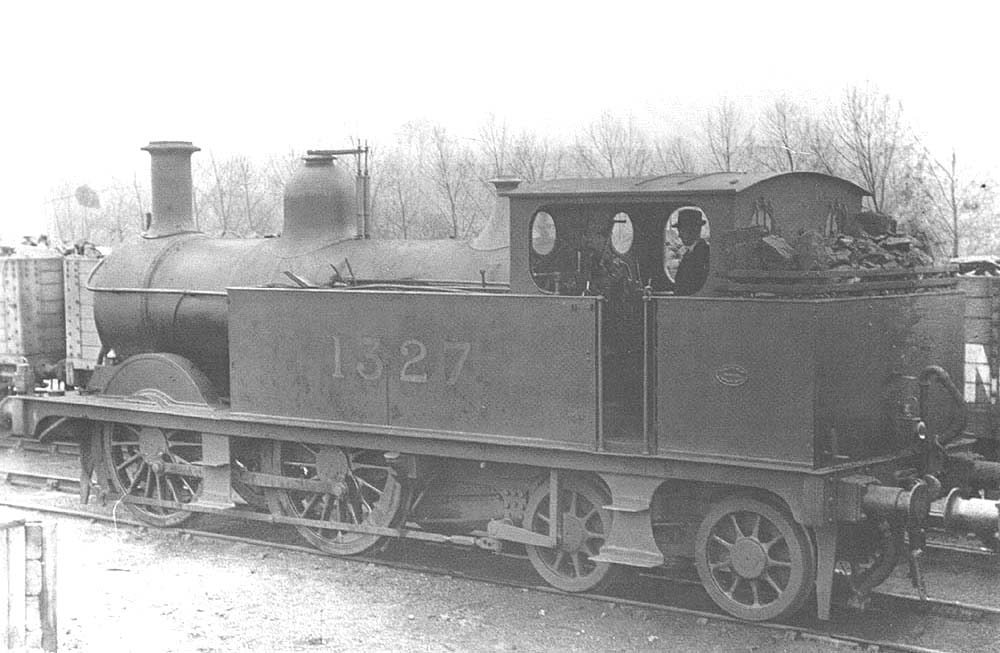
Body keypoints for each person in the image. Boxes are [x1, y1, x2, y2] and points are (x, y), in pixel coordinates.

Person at [672, 209, 709, 295]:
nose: (679, 235)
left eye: (681, 231)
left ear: (693, 230)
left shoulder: (703, 254)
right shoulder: (691, 252)